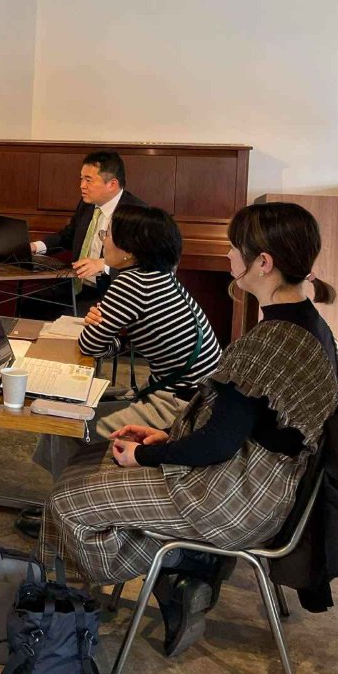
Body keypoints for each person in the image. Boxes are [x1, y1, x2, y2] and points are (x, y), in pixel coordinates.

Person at [40, 202, 338, 657]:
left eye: (235, 248)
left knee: (68, 504)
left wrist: (146, 455)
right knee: (95, 471)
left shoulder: (270, 341)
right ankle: (182, 567)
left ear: (263, 263)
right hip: (261, 484)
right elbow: (246, 426)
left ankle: (181, 566)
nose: (229, 256)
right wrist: (168, 439)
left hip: (236, 497)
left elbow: (218, 443)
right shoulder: (309, 326)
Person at [30, 205, 223, 480]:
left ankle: (72, 494)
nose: (103, 241)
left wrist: (93, 325)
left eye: (107, 234)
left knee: (66, 422)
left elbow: (89, 346)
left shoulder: (131, 284)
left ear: (129, 250)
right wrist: (106, 337)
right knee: (67, 406)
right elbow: (126, 344)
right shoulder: (163, 277)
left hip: (177, 405)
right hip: (198, 397)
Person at [25, 151, 146, 316]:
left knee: (69, 316)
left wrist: (103, 265)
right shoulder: (87, 204)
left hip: (109, 292)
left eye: (88, 180)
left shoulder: (136, 214)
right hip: (75, 284)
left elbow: (142, 262)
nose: (82, 186)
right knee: (30, 303)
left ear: (112, 184)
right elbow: (68, 236)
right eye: (81, 179)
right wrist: (35, 246)